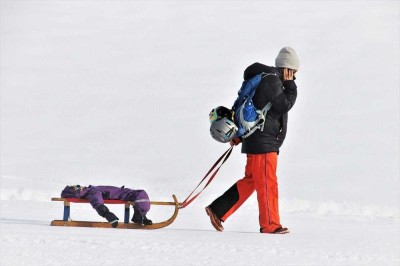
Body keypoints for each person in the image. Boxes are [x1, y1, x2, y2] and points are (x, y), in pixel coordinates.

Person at [205, 47, 299, 234]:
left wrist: (240, 135)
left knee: (253, 181)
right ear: (287, 68)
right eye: (293, 72)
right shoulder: (272, 81)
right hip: (263, 143)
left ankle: (217, 210)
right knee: (267, 182)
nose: (294, 77)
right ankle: (271, 224)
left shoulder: (266, 79)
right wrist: (290, 85)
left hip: (258, 140)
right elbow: (283, 105)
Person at [61, 185, 153, 228]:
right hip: (124, 194)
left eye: (78, 185)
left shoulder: (90, 189)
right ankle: (140, 216)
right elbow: (97, 201)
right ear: (76, 193)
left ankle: (141, 216)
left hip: (125, 193)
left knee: (141, 194)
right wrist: (108, 215)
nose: (80, 186)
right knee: (141, 194)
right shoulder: (91, 192)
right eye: (77, 188)